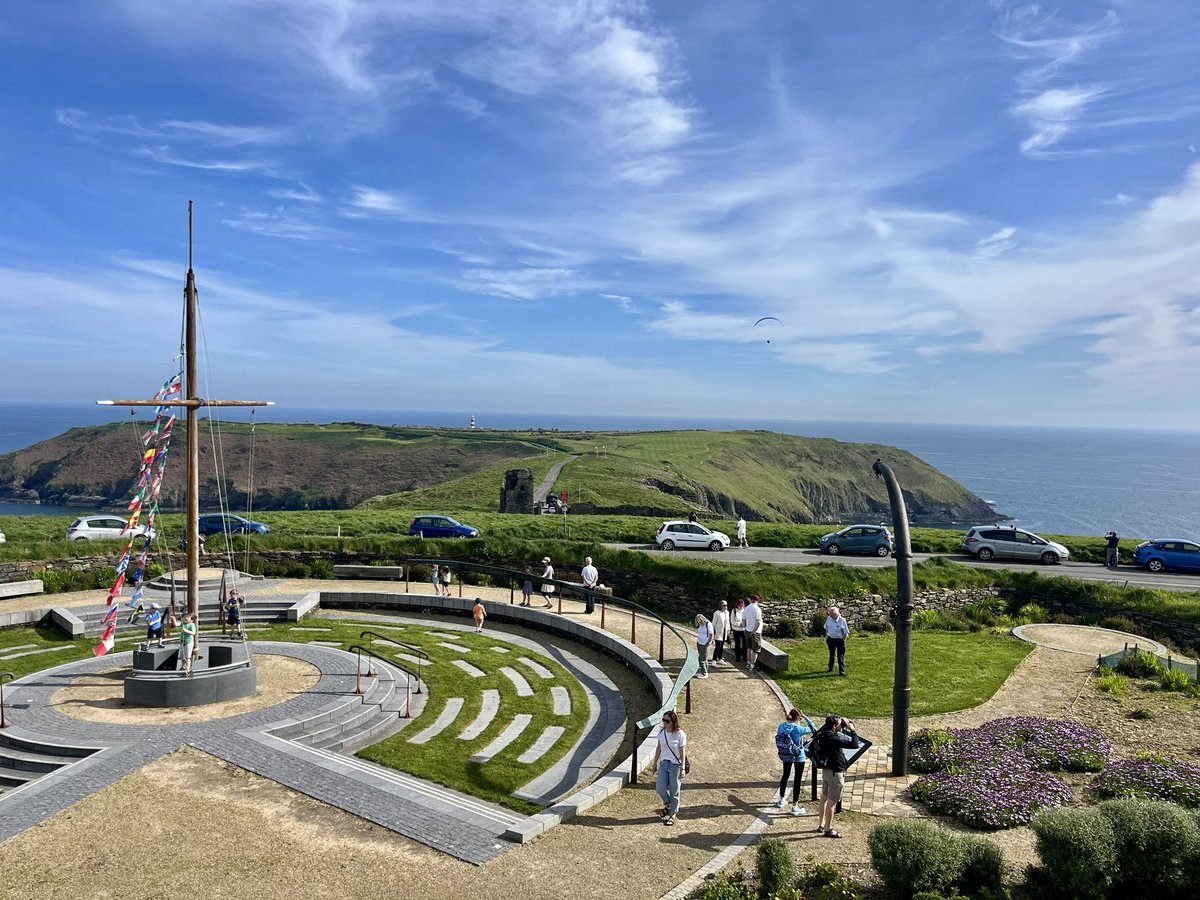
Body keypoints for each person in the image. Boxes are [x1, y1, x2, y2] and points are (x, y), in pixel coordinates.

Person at [814, 715, 860, 838]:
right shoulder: (833, 739)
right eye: (840, 724)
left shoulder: (824, 733)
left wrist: (841, 726)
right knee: (831, 802)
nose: (842, 725)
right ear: (834, 726)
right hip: (835, 774)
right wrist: (852, 730)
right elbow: (855, 744)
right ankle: (828, 829)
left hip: (827, 771)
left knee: (824, 797)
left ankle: (821, 825)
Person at [774, 707, 817, 816]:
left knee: (785, 775)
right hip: (798, 755)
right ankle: (795, 806)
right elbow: (814, 729)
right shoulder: (799, 729)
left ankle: (782, 799)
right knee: (797, 780)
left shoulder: (782, 726)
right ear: (798, 717)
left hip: (786, 755)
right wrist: (807, 718)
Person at [651, 710, 687, 826]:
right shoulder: (662, 732)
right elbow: (659, 747)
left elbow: (682, 753)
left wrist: (682, 768)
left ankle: (672, 814)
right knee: (660, 788)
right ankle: (668, 805)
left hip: (675, 765)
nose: (665, 723)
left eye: (667, 721)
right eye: (664, 720)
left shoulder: (680, 734)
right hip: (664, 763)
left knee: (674, 791)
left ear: (673, 722)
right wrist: (655, 762)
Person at [824, 606, 850, 676]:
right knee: (832, 655)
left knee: (840, 656)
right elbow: (826, 627)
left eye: (831, 614)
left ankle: (841, 671)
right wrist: (827, 636)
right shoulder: (829, 618)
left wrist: (843, 640)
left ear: (835, 614)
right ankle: (830, 668)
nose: (829, 615)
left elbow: (846, 632)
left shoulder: (842, 620)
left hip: (840, 640)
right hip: (831, 639)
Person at [743, 595, 764, 672]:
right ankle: (752, 666)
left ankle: (748, 663)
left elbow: (743, 620)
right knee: (755, 650)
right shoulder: (757, 609)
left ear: (751, 600)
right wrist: (754, 631)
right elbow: (758, 622)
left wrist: (745, 628)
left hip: (748, 630)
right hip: (756, 632)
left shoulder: (746, 608)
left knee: (749, 648)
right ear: (757, 601)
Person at [711, 600, 731, 666]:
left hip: (724, 632)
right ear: (721, 606)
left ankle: (720, 658)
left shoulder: (727, 613)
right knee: (718, 646)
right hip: (718, 632)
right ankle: (714, 659)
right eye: (724, 605)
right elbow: (713, 623)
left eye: (726, 605)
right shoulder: (717, 613)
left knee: (722, 646)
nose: (726, 607)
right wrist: (713, 632)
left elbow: (728, 622)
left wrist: (729, 630)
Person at [694, 614, 713, 678]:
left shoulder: (708, 624)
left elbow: (711, 635)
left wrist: (708, 643)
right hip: (699, 643)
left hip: (705, 644)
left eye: (699, 622)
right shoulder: (701, 625)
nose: (699, 624)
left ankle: (704, 673)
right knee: (704, 659)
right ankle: (705, 671)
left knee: (701, 659)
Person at [730, 598, 747, 663]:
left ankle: (745, 656)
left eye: (742, 606)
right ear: (737, 605)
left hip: (743, 630)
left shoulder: (745, 611)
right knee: (737, 644)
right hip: (736, 630)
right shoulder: (734, 611)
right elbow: (732, 621)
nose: (741, 607)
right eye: (740, 606)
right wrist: (739, 624)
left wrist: (744, 624)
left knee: (745, 644)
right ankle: (738, 657)